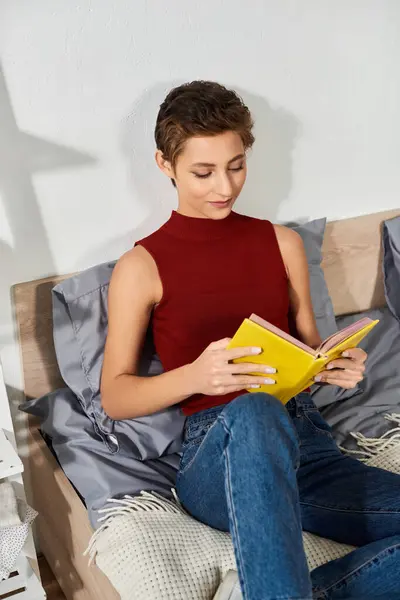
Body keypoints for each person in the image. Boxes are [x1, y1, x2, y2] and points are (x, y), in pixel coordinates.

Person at [101, 81, 400, 600]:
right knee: (256, 409)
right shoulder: (141, 266)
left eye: (236, 165)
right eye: (203, 172)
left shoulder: (281, 243)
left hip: (308, 448)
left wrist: (335, 364)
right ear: (164, 164)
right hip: (220, 456)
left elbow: (308, 348)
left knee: (271, 409)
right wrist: (197, 375)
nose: (225, 186)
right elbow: (116, 396)